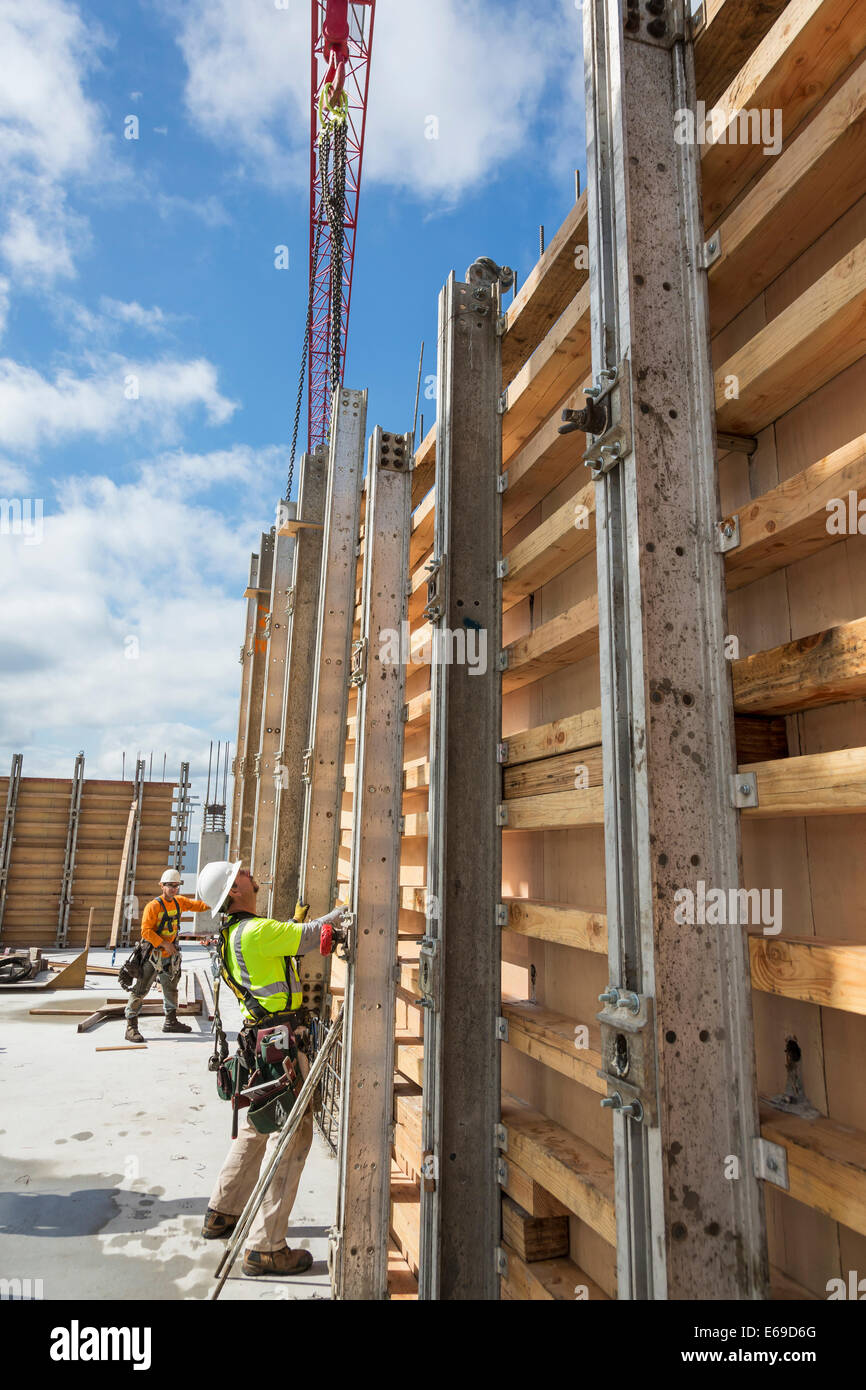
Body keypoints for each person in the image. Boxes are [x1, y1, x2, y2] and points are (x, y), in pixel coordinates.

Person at [195, 858, 345, 1277]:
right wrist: (349, 910)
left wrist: (292, 930)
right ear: (236, 892)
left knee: (258, 1126)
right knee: (292, 1136)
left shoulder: (232, 934)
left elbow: (277, 943)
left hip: (261, 1044)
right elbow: (316, 936)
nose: (247, 874)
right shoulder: (259, 932)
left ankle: (222, 1211)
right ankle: (266, 1246)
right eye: (240, 874)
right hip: (283, 1043)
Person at [124, 868, 210, 1043]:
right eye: (170, 886)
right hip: (152, 956)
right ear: (162, 886)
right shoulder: (153, 906)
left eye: (176, 886)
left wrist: (218, 901)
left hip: (169, 957)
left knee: (171, 988)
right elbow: (146, 931)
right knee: (141, 989)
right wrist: (165, 944)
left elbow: (197, 906)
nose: (173, 889)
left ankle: (170, 1021)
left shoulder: (179, 902)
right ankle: (131, 1027)